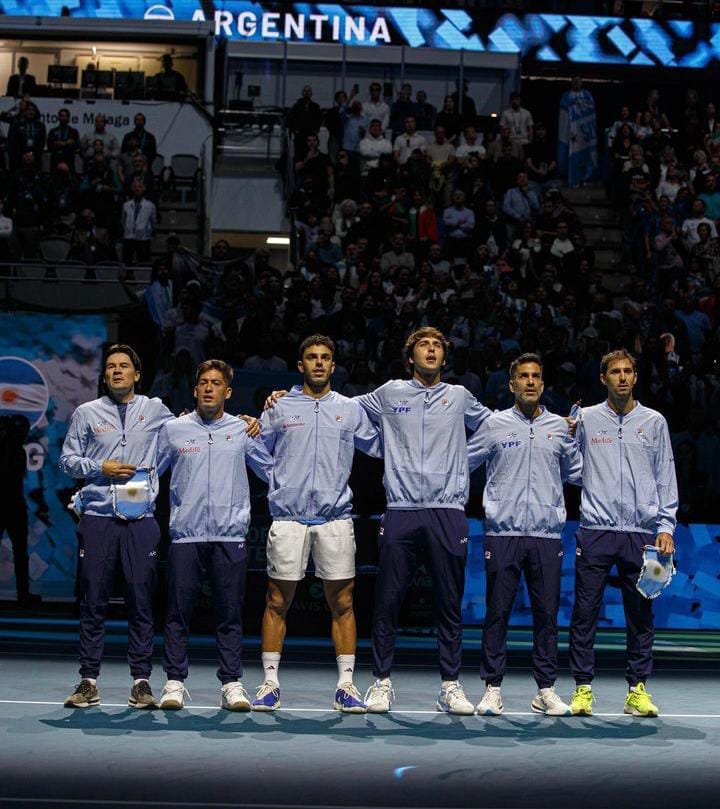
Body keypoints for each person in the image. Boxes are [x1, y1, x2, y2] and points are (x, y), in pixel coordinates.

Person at [252, 336, 381, 712]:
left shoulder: (350, 409)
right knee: (276, 601)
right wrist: (277, 479)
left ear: (333, 366)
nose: (319, 363)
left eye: (325, 358)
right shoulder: (279, 406)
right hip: (288, 518)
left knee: (343, 602)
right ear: (301, 365)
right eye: (312, 357)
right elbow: (255, 445)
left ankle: (346, 686)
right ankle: (270, 684)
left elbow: (376, 446)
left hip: (335, 519)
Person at [59, 345, 176, 709]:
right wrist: (100, 468)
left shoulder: (156, 410)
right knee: (93, 601)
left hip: (141, 521)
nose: (117, 371)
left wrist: (250, 420)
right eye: (111, 366)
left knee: (141, 602)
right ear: (105, 375)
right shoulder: (86, 413)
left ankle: (141, 682)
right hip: (97, 519)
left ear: (137, 374)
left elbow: (188, 431)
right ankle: (88, 680)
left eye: (124, 366)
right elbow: (66, 461)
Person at [467, 354, 582, 717]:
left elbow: (578, 473)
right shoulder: (494, 425)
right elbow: (463, 462)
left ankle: (545, 690)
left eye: (535, 377)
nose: (530, 382)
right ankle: (492, 688)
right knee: (497, 613)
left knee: (547, 615)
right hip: (503, 534)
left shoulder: (560, 427)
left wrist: (581, 437)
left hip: (547, 535)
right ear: (512, 384)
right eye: (523, 377)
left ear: (542, 385)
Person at [569, 349, 678, 718]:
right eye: (615, 371)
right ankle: (582, 688)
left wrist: (665, 526)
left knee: (641, 614)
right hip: (595, 530)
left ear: (635, 376)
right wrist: (568, 441)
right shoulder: (586, 419)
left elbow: (665, 475)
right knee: (585, 612)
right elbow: (571, 470)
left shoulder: (654, 421)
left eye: (628, 371)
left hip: (641, 534)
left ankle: (637, 690)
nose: (622, 377)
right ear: (603, 378)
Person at [156, 360, 270, 711]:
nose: (209, 388)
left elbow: (272, 471)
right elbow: (148, 473)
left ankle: (231, 683)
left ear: (228, 391)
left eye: (216, 383)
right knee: (177, 612)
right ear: (195, 390)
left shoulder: (242, 430)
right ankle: (174, 682)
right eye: (203, 382)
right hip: (186, 535)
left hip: (229, 535)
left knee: (230, 613)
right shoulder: (174, 429)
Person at [0, 415, 40, 606]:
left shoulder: (18, 451)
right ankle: (23, 594)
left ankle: (23, 593)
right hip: (10, 505)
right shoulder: (11, 451)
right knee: (20, 552)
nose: (24, 435)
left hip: (15, 505)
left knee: (21, 552)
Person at [557, 76, 597, 188]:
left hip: (584, 132)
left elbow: (591, 109)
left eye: (578, 82)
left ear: (581, 83)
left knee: (585, 154)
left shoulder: (587, 94)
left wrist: (578, 104)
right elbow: (563, 112)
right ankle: (570, 178)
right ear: (571, 83)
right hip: (571, 131)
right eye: (574, 82)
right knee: (570, 153)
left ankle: (585, 178)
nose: (576, 83)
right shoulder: (566, 95)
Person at [121, 180, 156, 264]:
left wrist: (146, 231)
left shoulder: (150, 205)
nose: (137, 189)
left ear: (144, 188)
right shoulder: (126, 205)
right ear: (132, 189)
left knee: (143, 262)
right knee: (127, 262)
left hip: (143, 238)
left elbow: (153, 221)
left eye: (140, 187)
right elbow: (123, 221)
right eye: (135, 187)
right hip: (129, 237)